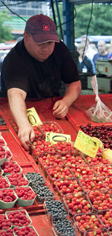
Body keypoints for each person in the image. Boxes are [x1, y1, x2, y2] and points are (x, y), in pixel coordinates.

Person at [0, 14, 81, 150]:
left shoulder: (60, 49)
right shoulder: (15, 59)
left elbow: (74, 83)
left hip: (50, 110)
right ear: (26, 37)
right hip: (16, 110)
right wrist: (23, 124)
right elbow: (16, 94)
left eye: (50, 43)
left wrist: (66, 102)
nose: (46, 48)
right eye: (40, 43)